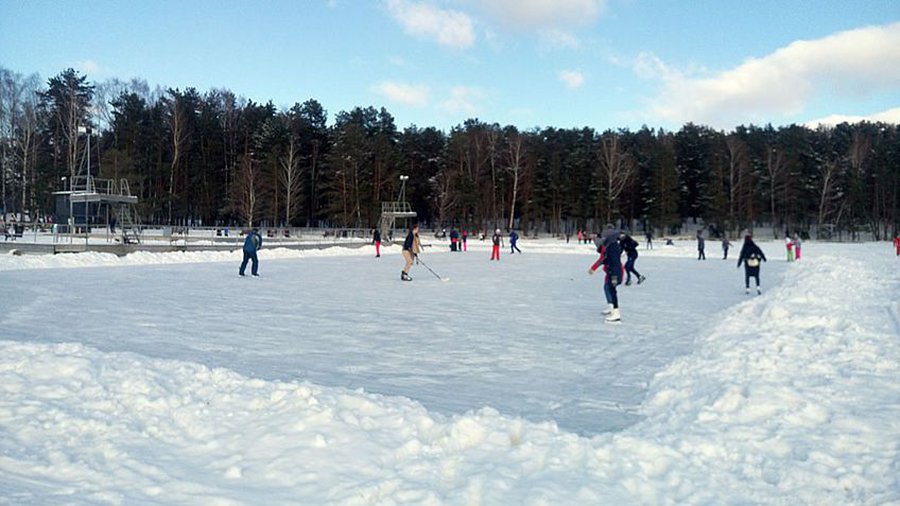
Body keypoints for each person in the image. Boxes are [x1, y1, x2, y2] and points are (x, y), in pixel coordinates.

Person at [588, 228, 624, 323]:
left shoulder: (612, 247)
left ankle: (616, 313)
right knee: (609, 288)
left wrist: (613, 274)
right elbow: (606, 259)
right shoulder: (612, 246)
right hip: (613, 271)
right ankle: (613, 309)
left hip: (614, 272)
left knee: (611, 289)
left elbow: (611, 261)